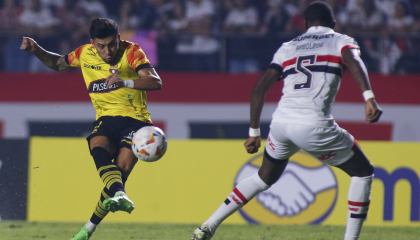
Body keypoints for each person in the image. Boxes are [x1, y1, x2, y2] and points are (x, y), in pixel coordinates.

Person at [191, 2, 382, 240]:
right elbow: (354, 62)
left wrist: (253, 132)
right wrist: (369, 97)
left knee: (263, 177)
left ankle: (208, 225)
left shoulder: (289, 47)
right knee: (363, 172)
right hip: (313, 124)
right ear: (333, 23)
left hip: (281, 124)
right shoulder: (340, 40)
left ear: (304, 24)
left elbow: (260, 87)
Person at [20, 18, 162, 240]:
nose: (108, 51)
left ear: (118, 39)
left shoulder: (132, 51)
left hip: (136, 120)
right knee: (98, 148)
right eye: (101, 45)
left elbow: (155, 82)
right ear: (92, 43)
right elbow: (58, 63)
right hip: (106, 119)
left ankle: (88, 229)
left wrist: (125, 82)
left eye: (112, 44)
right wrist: (36, 49)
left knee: (118, 175)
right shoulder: (84, 53)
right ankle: (117, 197)